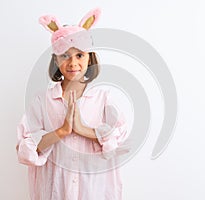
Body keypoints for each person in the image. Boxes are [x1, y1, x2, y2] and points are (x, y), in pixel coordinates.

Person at [16, 8, 130, 200]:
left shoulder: (104, 98)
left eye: (79, 55)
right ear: (56, 59)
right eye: (65, 56)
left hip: (95, 191)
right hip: (55, 192)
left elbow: (120, 143)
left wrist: (84, 130)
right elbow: (25, 148)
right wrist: (62, 131)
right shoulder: (41, 101)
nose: (72, 63)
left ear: (89, 58)